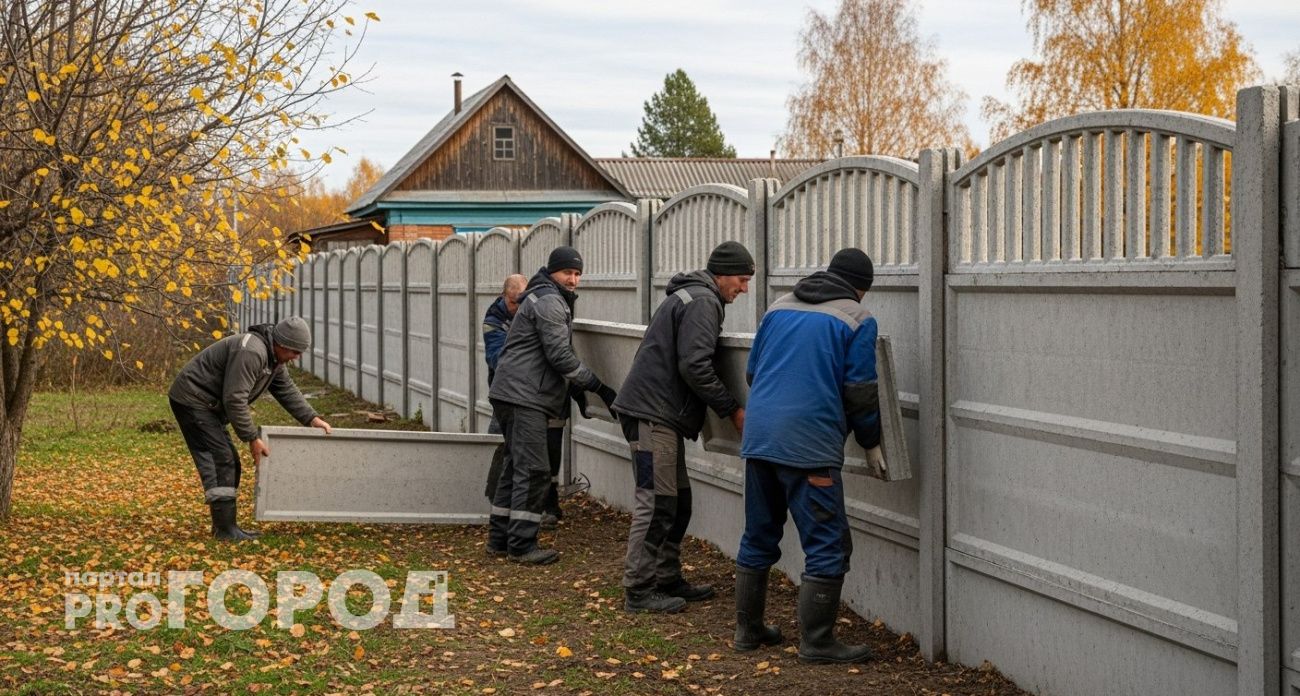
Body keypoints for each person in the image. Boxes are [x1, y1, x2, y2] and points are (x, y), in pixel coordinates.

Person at [733, 248, 884, 664]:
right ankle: (817, 641)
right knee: (827, 543)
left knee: (758, 533)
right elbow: (860, 391)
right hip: (809, 445)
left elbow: (753, 372)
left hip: (761, 438)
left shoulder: (778, 307)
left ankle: (747, 631)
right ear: (861, 288)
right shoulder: (857, 318)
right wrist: (870, 440)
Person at [611, 241, 753, 614]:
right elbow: (695, 366)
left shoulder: (692, 296)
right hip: (653, 416)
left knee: (678, 501)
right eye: (741, 279)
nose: (745, 288)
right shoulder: (704, 302)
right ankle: (639, 590)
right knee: (657, 502)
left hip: (658, 414)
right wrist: (732, 410)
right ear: (722, 275)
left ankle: (666, 578)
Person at [486, 246, 616, 564]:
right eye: (567, 273)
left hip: (509, 391)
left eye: (577, 274)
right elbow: (559, 356)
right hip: (524, 396)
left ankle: (500, 539)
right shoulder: (550, 301)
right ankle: (521, 545)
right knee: (534, 470)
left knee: (515, 467)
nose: (572, 279)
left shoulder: (539, 295)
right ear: (553, 272)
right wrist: (598, 387)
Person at [168, 316, 332, 541]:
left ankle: (225, 526)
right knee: (220, 460)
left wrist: (312, 419)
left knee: (230, 461)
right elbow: (235, 398)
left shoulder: (273, 359)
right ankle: (225, 530)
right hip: (193, 399)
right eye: (295, 352)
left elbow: (286, 390)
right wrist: (252, 438)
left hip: (208, 404)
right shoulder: (252, 352)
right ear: (281, 344)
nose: (297, 357)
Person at [481, 272, 571, 528]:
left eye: (520, 301)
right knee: (513, 457)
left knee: (540, 457)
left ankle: (545, 507)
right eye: (512, 301)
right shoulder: (494, 319)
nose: (516, 306)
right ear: (503, 297)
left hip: (537, 396)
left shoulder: (537, 309)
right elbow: (499, 360)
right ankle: (509, 524)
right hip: (513, 396)